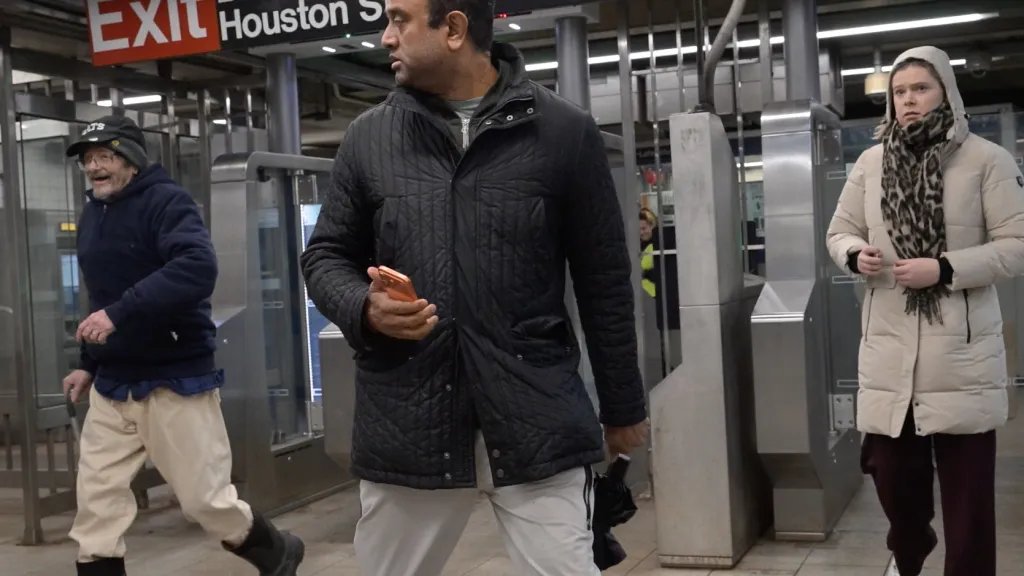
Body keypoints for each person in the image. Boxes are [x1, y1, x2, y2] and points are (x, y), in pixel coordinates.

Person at [299, 0, 648, 573]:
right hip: (409, 418)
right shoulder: (369, 138)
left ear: (454, 28)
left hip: (535, 416)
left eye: (398, 20)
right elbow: (325, 256)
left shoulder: (563, 132)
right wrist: (363, 307)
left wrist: (623, 405)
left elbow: (604, 280)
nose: (385, 37)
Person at [63, 116, 304, 576]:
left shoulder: (166, 203)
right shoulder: (95, 212)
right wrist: (89, 364)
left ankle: (277, 552)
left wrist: (118, 314)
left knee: (204, 501)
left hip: (173, 377)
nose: (95, 167)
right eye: (88, 160)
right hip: (114, 384)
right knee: (95, 502)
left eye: (105, 157)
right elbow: (103, 296)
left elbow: (196, 267)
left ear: (131, 161)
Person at [826, 47, 1024, 576]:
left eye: (921, 88)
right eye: (900, 91)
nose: (909, 100)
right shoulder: (872, 162)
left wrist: (945, 268)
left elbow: (1016, 243)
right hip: (890, 355)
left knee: (969, 505)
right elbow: (839, 229)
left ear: (946, 94)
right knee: (893, 481)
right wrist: (852, 253)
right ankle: (910, 554)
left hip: (960, 358)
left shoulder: (986, 160)